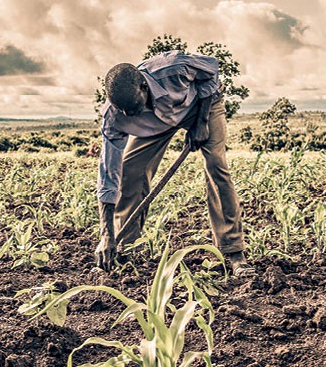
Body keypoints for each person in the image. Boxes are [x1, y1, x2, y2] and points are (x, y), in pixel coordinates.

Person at [95, 50, 252, 276]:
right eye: (123, 110)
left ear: (143, 87)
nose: (129, 113)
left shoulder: (172, 67)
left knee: (216, 165)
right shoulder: (115, 116)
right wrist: (106, 235)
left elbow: (211, 70)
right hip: (153, 123)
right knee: (130, 171)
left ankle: (234, 252)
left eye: (132, 106)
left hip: (197, 106)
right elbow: (109, 175)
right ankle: (124, 249)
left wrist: (202, 121)